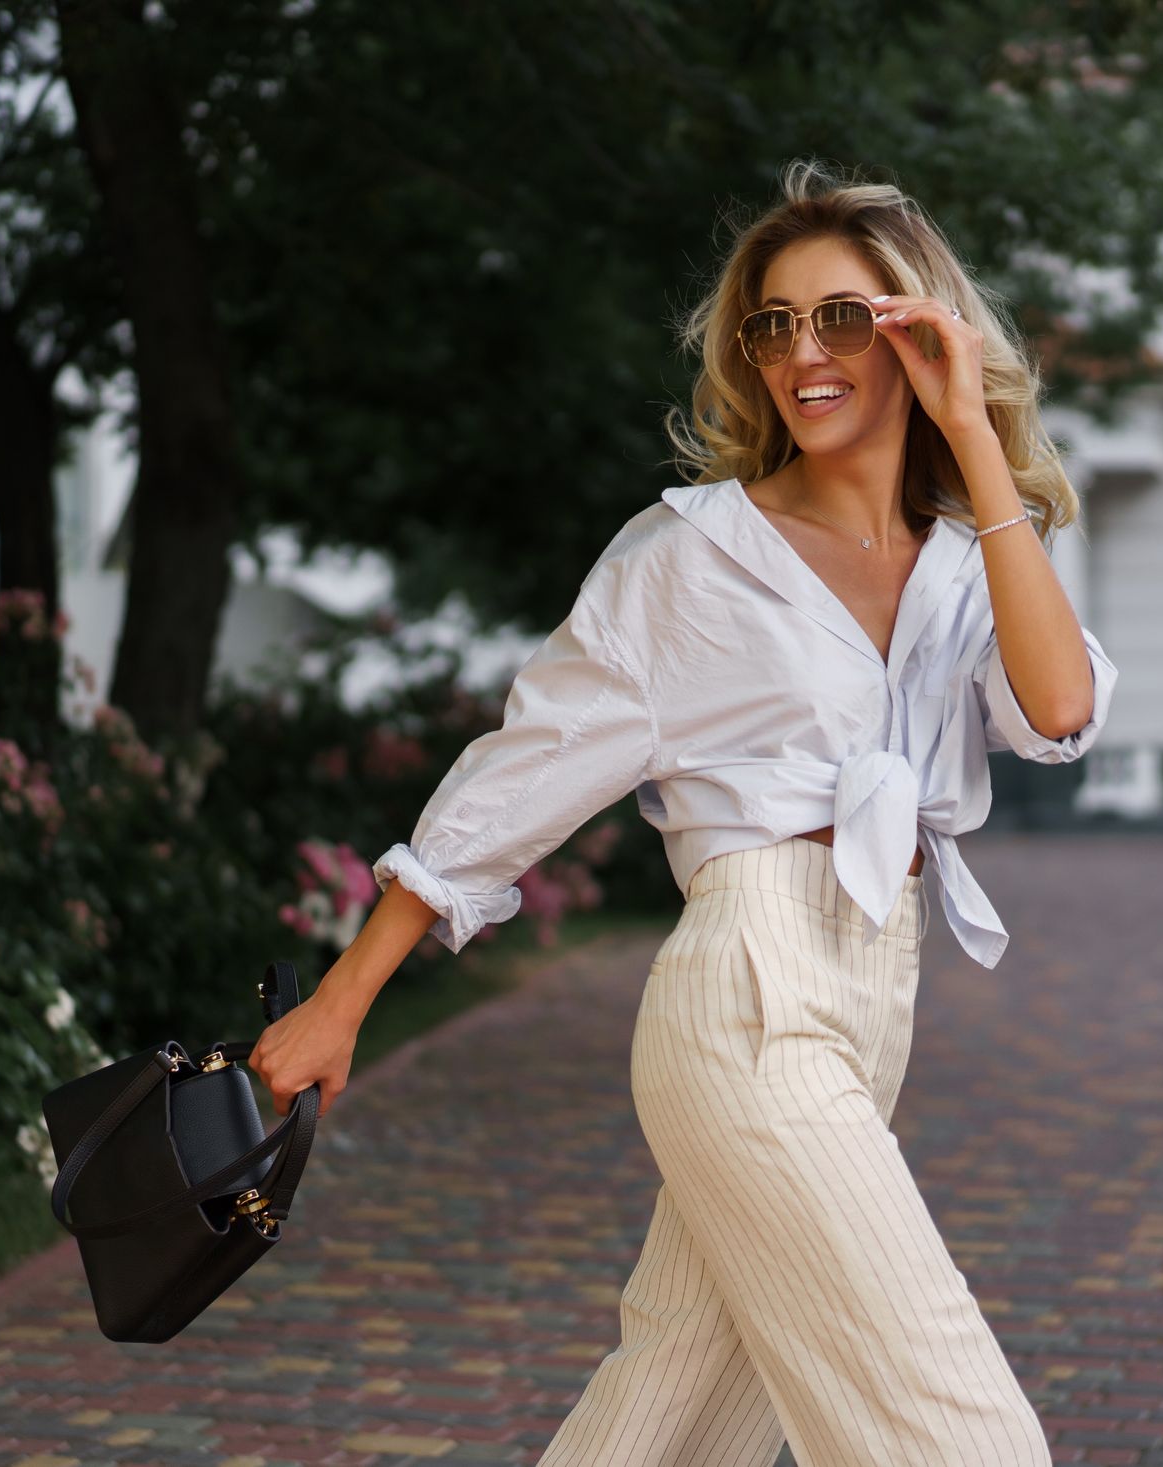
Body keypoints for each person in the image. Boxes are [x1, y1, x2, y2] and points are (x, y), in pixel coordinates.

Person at [250, 158, 1117, 1467]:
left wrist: (982, 451)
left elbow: (1057, 711)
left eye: (842, 317)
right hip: (749, 997)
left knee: (673, 1415)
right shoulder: (694, 554)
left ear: (918, 330)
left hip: (876, 989)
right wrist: (343, 997)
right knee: (962, 1438)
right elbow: (517, 777)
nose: (801, 353)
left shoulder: (969, 558)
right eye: (775, 324)